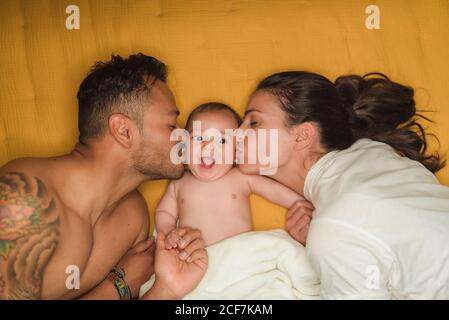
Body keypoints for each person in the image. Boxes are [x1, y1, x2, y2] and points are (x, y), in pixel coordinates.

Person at [0, 53, 207, 300]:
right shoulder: (23, 199)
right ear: (123, 131)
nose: (186, 138)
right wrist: (120, 283)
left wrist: (166, 289)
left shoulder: (132, 217)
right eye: (172, 126)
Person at [238, 71, 449, 299]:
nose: (236, 133)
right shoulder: (374, 151)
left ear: (302, 136)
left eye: (254, 122)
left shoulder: (334, 229)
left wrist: (328, 240)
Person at [155, 102, 313, 247]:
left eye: (222, 141)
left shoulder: (241, 176)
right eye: (198, 137)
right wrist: (169, 231)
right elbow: (165, 212)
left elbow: (275, 191)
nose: (208, 145)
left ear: (236, 151)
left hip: (238, 253)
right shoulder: (179, 181)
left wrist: (303, 204)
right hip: (194, 259)